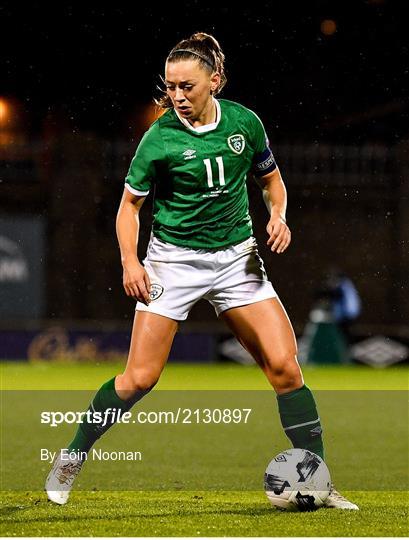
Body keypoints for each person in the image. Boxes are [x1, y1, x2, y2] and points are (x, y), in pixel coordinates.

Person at [45, 32, 358, 510]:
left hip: (237, 259)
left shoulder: (244, 124)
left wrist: (278, 215)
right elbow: (128, 208)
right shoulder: (159, 138)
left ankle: (317, 480)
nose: (177, 96)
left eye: (187, 86)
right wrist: (131, 261)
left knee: (285, 368)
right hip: (173, 262)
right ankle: (71, 455)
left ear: (214, 81)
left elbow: (271, 180)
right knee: (139, 379)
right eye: (170, 87)